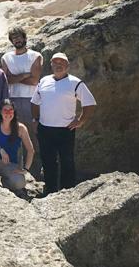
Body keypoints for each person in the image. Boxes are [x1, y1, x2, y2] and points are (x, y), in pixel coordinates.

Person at [31, 53, 96, 195]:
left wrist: (81, 121)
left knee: (67, 161)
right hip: (45, 129)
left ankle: (68, 192)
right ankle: (50, 191)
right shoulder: (44, 81)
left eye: (62, 63)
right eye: (55, 63)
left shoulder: (75, 83)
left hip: (65, 130)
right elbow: (35, 102)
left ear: (67, 66)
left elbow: (89, 103)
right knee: (48, 162)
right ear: (51, 65)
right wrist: (35, 120)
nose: (58, 65)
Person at [1, 27, 43, 178]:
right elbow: (6, 80)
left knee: (32, 136)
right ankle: (14, 170)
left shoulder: (35, 56)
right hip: (12, 101)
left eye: (19, 37)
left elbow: (34, 81)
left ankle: (35, 172)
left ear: (25, 38)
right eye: (14, 38)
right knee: (13, 135)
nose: (17, 40)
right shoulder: (6, 57)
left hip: (31, 101)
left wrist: (15, 78)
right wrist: (24, 75)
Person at [0, 99, 35, 192]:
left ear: (14, 112)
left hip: (10, 166)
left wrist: (26, 169)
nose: (8, 113)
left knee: (20, 183)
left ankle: (6, 182)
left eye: (11, 110)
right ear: (0, 112)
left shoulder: (21, 128)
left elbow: (30, 150)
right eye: (5, 110)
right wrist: (0, 149)